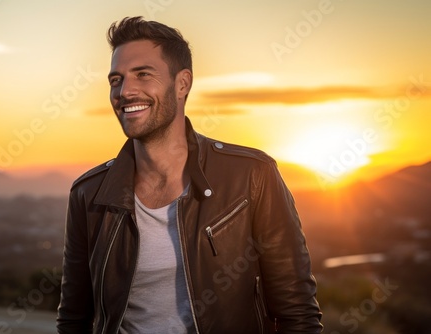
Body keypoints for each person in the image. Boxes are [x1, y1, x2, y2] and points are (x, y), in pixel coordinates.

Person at [57, 16, 323, 334]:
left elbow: (297, 312)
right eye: (116, 80)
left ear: (182, 83)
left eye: (143, 74)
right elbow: (74, 319)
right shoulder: (89, 195)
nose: (125, 91)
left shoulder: (252, 175)